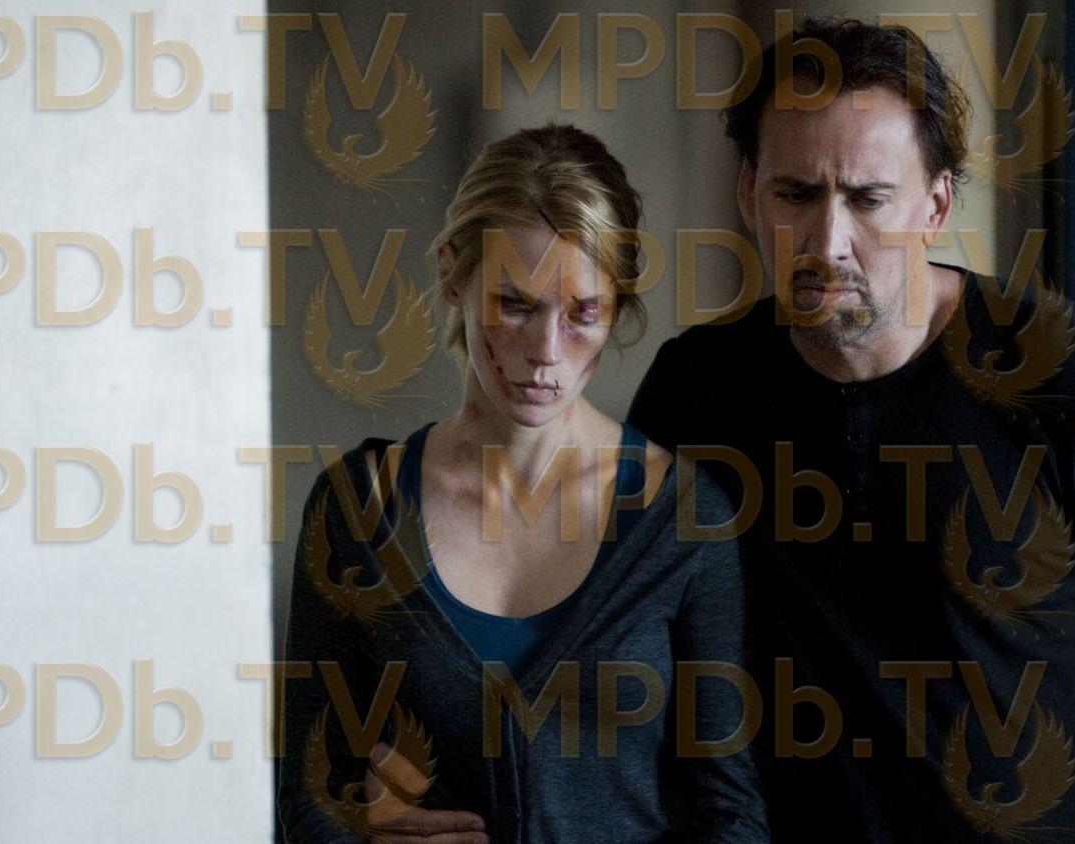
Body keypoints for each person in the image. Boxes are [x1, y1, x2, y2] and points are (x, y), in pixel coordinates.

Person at [628, 17, 1075, 842]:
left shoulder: (1074, 378)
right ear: (749, 195)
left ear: (935, 205)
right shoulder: (697, 394)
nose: (828, 241)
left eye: (868, 199)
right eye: (796, 194)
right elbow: (610, 653)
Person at [279, 125, 768, 843]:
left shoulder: (684, 519)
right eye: (514, 304)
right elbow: (304, 798)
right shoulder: (357, 510)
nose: (545, 352)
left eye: (583, 315)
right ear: (452, 272)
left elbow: (731, 815)